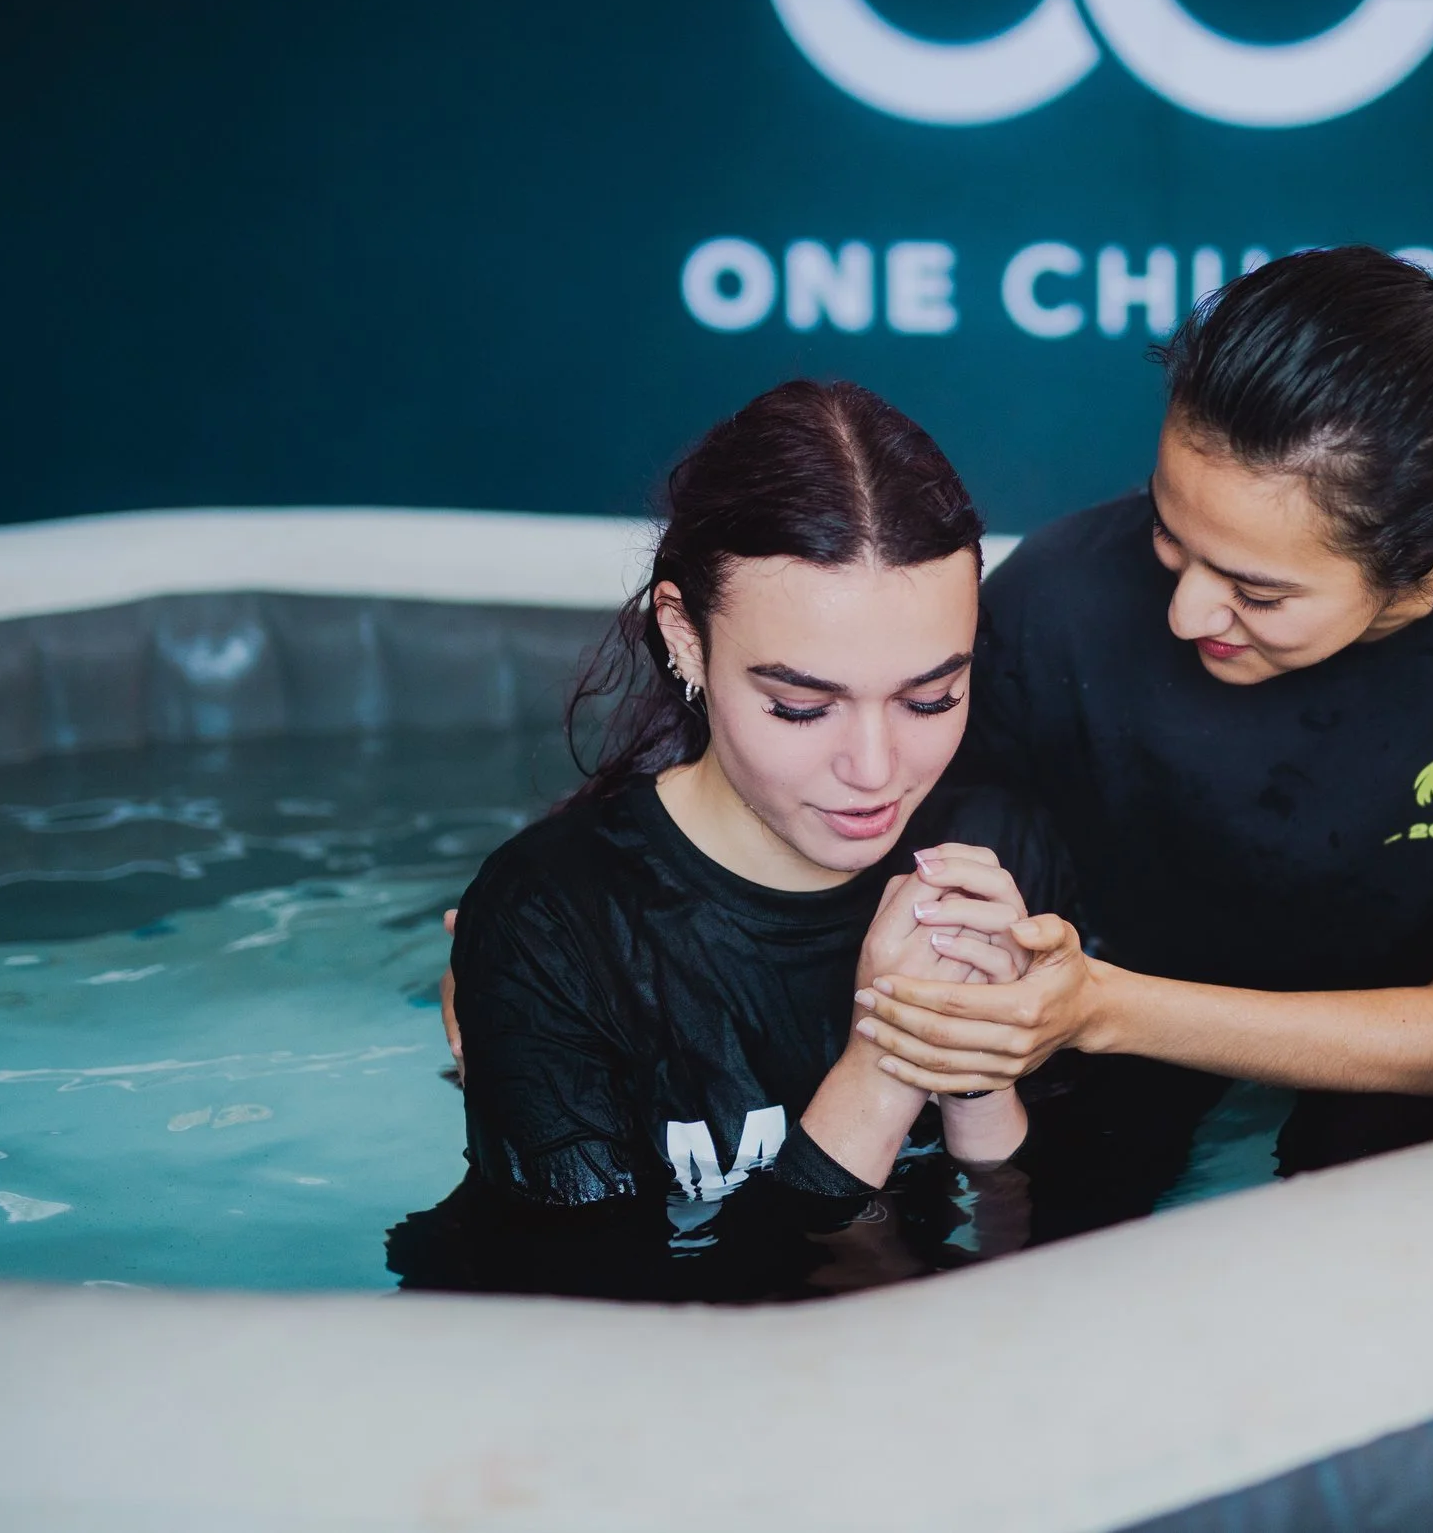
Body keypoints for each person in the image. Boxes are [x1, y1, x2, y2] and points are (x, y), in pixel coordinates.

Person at [846, 246, 1433, 1212]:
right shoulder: (1060, 602)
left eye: (1257, 591)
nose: (1186, 614)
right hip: (1093, 1071)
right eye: (1169, 534)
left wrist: (1100, 1005)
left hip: (1374, 1081)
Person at [388, 378, 1068, 1300]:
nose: (875, 768)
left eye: (931, 696)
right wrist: (885, 1062)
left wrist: (977, 1069)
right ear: (684, 636)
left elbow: (1071, 1261)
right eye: (800, 705)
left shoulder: (1000, 849)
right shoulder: (556, 922)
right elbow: (590, 1319)